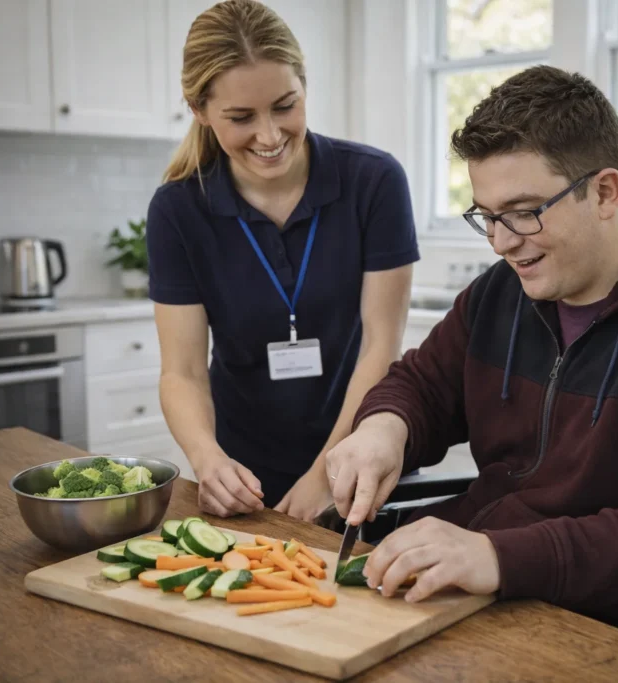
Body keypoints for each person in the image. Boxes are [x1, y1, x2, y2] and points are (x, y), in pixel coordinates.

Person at [323, 65, 618, 618]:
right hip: (484, 584)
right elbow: (421, 384)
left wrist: (497, 556)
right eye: (487, 217)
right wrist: (383, 429)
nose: (500, 243)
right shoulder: (502, 292)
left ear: (605, 191)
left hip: (595, 615)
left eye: (523, 213)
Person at [146, 0, 418, 520]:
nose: (269, 136)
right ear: (199, 110)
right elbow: (181, 372)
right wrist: (208, 462)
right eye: (241, 117)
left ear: (305, 88)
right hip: (244, 477)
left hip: (361, 463)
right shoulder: (178, 210)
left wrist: (324, 476)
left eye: (285, 105)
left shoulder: (374, 182)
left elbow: (380, 347)